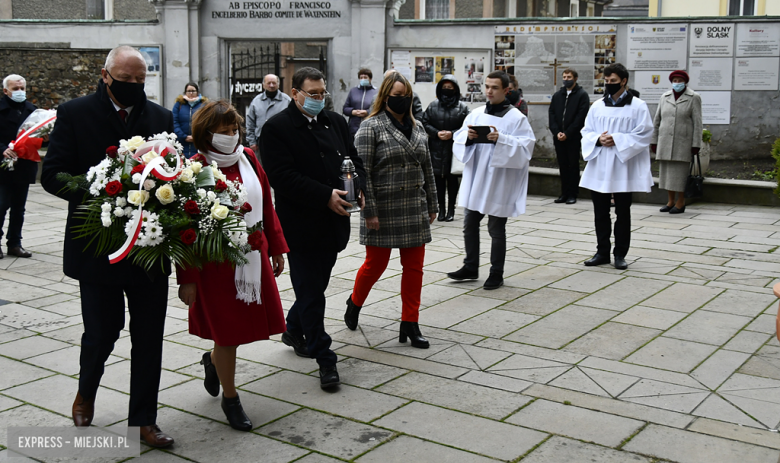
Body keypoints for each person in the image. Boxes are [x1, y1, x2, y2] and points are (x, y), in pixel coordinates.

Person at [41, 46, 176, 448]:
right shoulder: (75, 112)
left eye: (140, 80)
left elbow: (173, 170)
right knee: (101, 332)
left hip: (148, 247)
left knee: (149, 336)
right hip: (96, 246)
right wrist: (99, 190)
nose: (133, 86)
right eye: (126, 79)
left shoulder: (160, 118)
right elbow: (53, 174)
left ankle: (143, 422)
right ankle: (86, 392)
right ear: (106, 75)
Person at [177, 100, 288, 431]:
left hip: (252, 255)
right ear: (206, 134)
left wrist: (277, 247)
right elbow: (185, 230)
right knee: (227, 335)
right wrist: (188, 279)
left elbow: (266, 203)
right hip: (215, 266)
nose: (231, 136)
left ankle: (213, 364)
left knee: (239, 333)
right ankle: (231, 398)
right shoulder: (194, 169)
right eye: (223, 132)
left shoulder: (249, 158)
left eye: (234, 129)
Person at [260, 67, 366, 390]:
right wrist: (324, 196)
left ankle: (293, 328)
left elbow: (354, 159)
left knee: (314, 287)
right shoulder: (276, 128)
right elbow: (282, 177)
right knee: (311, 293)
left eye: (323, 93)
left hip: (334, 225)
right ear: (295, 93)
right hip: (301, 228)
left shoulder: (335, 121)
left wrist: (356, 185)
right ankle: (325, 359)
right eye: (313, 94)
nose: (319, 99)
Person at [344, 71, 438, 348]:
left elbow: (428, 169)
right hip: (382, 208)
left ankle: (410, 322)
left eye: (406, 95)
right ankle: (354, 302)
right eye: (397, 96)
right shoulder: (370, 127)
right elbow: (364, 173)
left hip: (413, 207)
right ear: (385, 97)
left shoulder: (419, 127)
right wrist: (368, 210)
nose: (403, 100)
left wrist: (433, 203)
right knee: (376, 265)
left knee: (414, 268)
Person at [447, 71, 536, 290]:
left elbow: (526, 148)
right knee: (469, 224)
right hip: (477, 177)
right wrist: (467, 138)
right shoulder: (476, 114)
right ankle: (470, 266)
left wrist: (502, 139)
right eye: (486, 86)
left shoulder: (516, 118)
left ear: (507, 90)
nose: (489, 91)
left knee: (496, 229)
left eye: (494, 87)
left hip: (499, 180)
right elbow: (459, 137)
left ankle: (496, 273)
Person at [579, 63, 653, 270]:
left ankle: (620, 253)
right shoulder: (597, 106)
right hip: (601, 164)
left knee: (622, 212)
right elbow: (586, 131)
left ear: (624, 81)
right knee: (600, 212)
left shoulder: (638, 106)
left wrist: (618, 139)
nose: (609, 85)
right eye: (607, 81)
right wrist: (597, 139)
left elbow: (644, 133)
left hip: (623, 166)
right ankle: (602, 252)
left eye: (613, 81)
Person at [0, 74, 40, 259]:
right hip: (3, 166)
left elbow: (39, 138)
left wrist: (44, 139)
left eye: (22, 88)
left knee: (19, 208)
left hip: (23, 165)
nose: (20, 92)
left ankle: (14, 244)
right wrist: (2, 149)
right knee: (1, 205)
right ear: (6, 91)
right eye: (15, 89)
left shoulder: (33, 111)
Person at [651, 70, 702, 214]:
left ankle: (681, 201)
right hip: (665, 141)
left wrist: (696, 144)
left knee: (680, 174)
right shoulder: (665, 97)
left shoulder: (693, 97)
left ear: (685, 82)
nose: (677, 83)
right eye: (675, 80)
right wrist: (654, 140)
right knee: (667, 173)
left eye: (680, 80)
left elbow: (697, 123)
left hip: (682, 142)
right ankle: (670, 200)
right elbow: (657, 120)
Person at [421, 74, 469, 222]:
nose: (447, 90)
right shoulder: (433, 106)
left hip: (453, 150)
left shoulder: (462, 107)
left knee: (452, 180)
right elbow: (424, 122)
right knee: (438, 181)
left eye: (450, 87)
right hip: (436, 148)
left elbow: (467, 127)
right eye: (444, 87)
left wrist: (452, 134)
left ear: (455, 89)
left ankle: (451, 210)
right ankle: (440, 209)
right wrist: (436, 133)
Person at [548, 68, 590, 205]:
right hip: (559, 137)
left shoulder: (582, 95)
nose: (566, 79)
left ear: (575, 78)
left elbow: (581, 117)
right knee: (562, 165)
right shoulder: (557, 95)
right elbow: (552, 114)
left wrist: (568, 133)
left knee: (573, 165)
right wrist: (557, 132)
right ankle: (564, 193)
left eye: (569, 77)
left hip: (573, 137)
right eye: (564, 77)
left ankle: (573, 193)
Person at [246, 74, 291, 155]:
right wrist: (252, 142)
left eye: (274, 83)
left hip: (282, 142)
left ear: (278, 84)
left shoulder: (286, 100)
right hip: (260, 143)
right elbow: (250, 122)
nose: (271, 85)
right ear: (263, 85)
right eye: (269, 83)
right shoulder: (256, 101)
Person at [172, 82, 207, 158]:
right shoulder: (179, 104)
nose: (191, 93)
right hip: (181, 143)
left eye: (193, 91)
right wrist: (184, 136)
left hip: (198, 144)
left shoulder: (204, 105)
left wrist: (197, 137)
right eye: (188, 91)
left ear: (197, 92)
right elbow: (174, 122)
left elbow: (206, 123)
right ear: (185, 92)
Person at [342, 68, 377, 137]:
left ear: (370, 79)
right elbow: (345, 108)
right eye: (361, 77)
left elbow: (378, 108)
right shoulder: (353, 91)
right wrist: (353, 112)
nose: (363, 79)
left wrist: (367, 112)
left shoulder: (376, 92)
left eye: (365, 77)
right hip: (354, 128)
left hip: (370, 127)